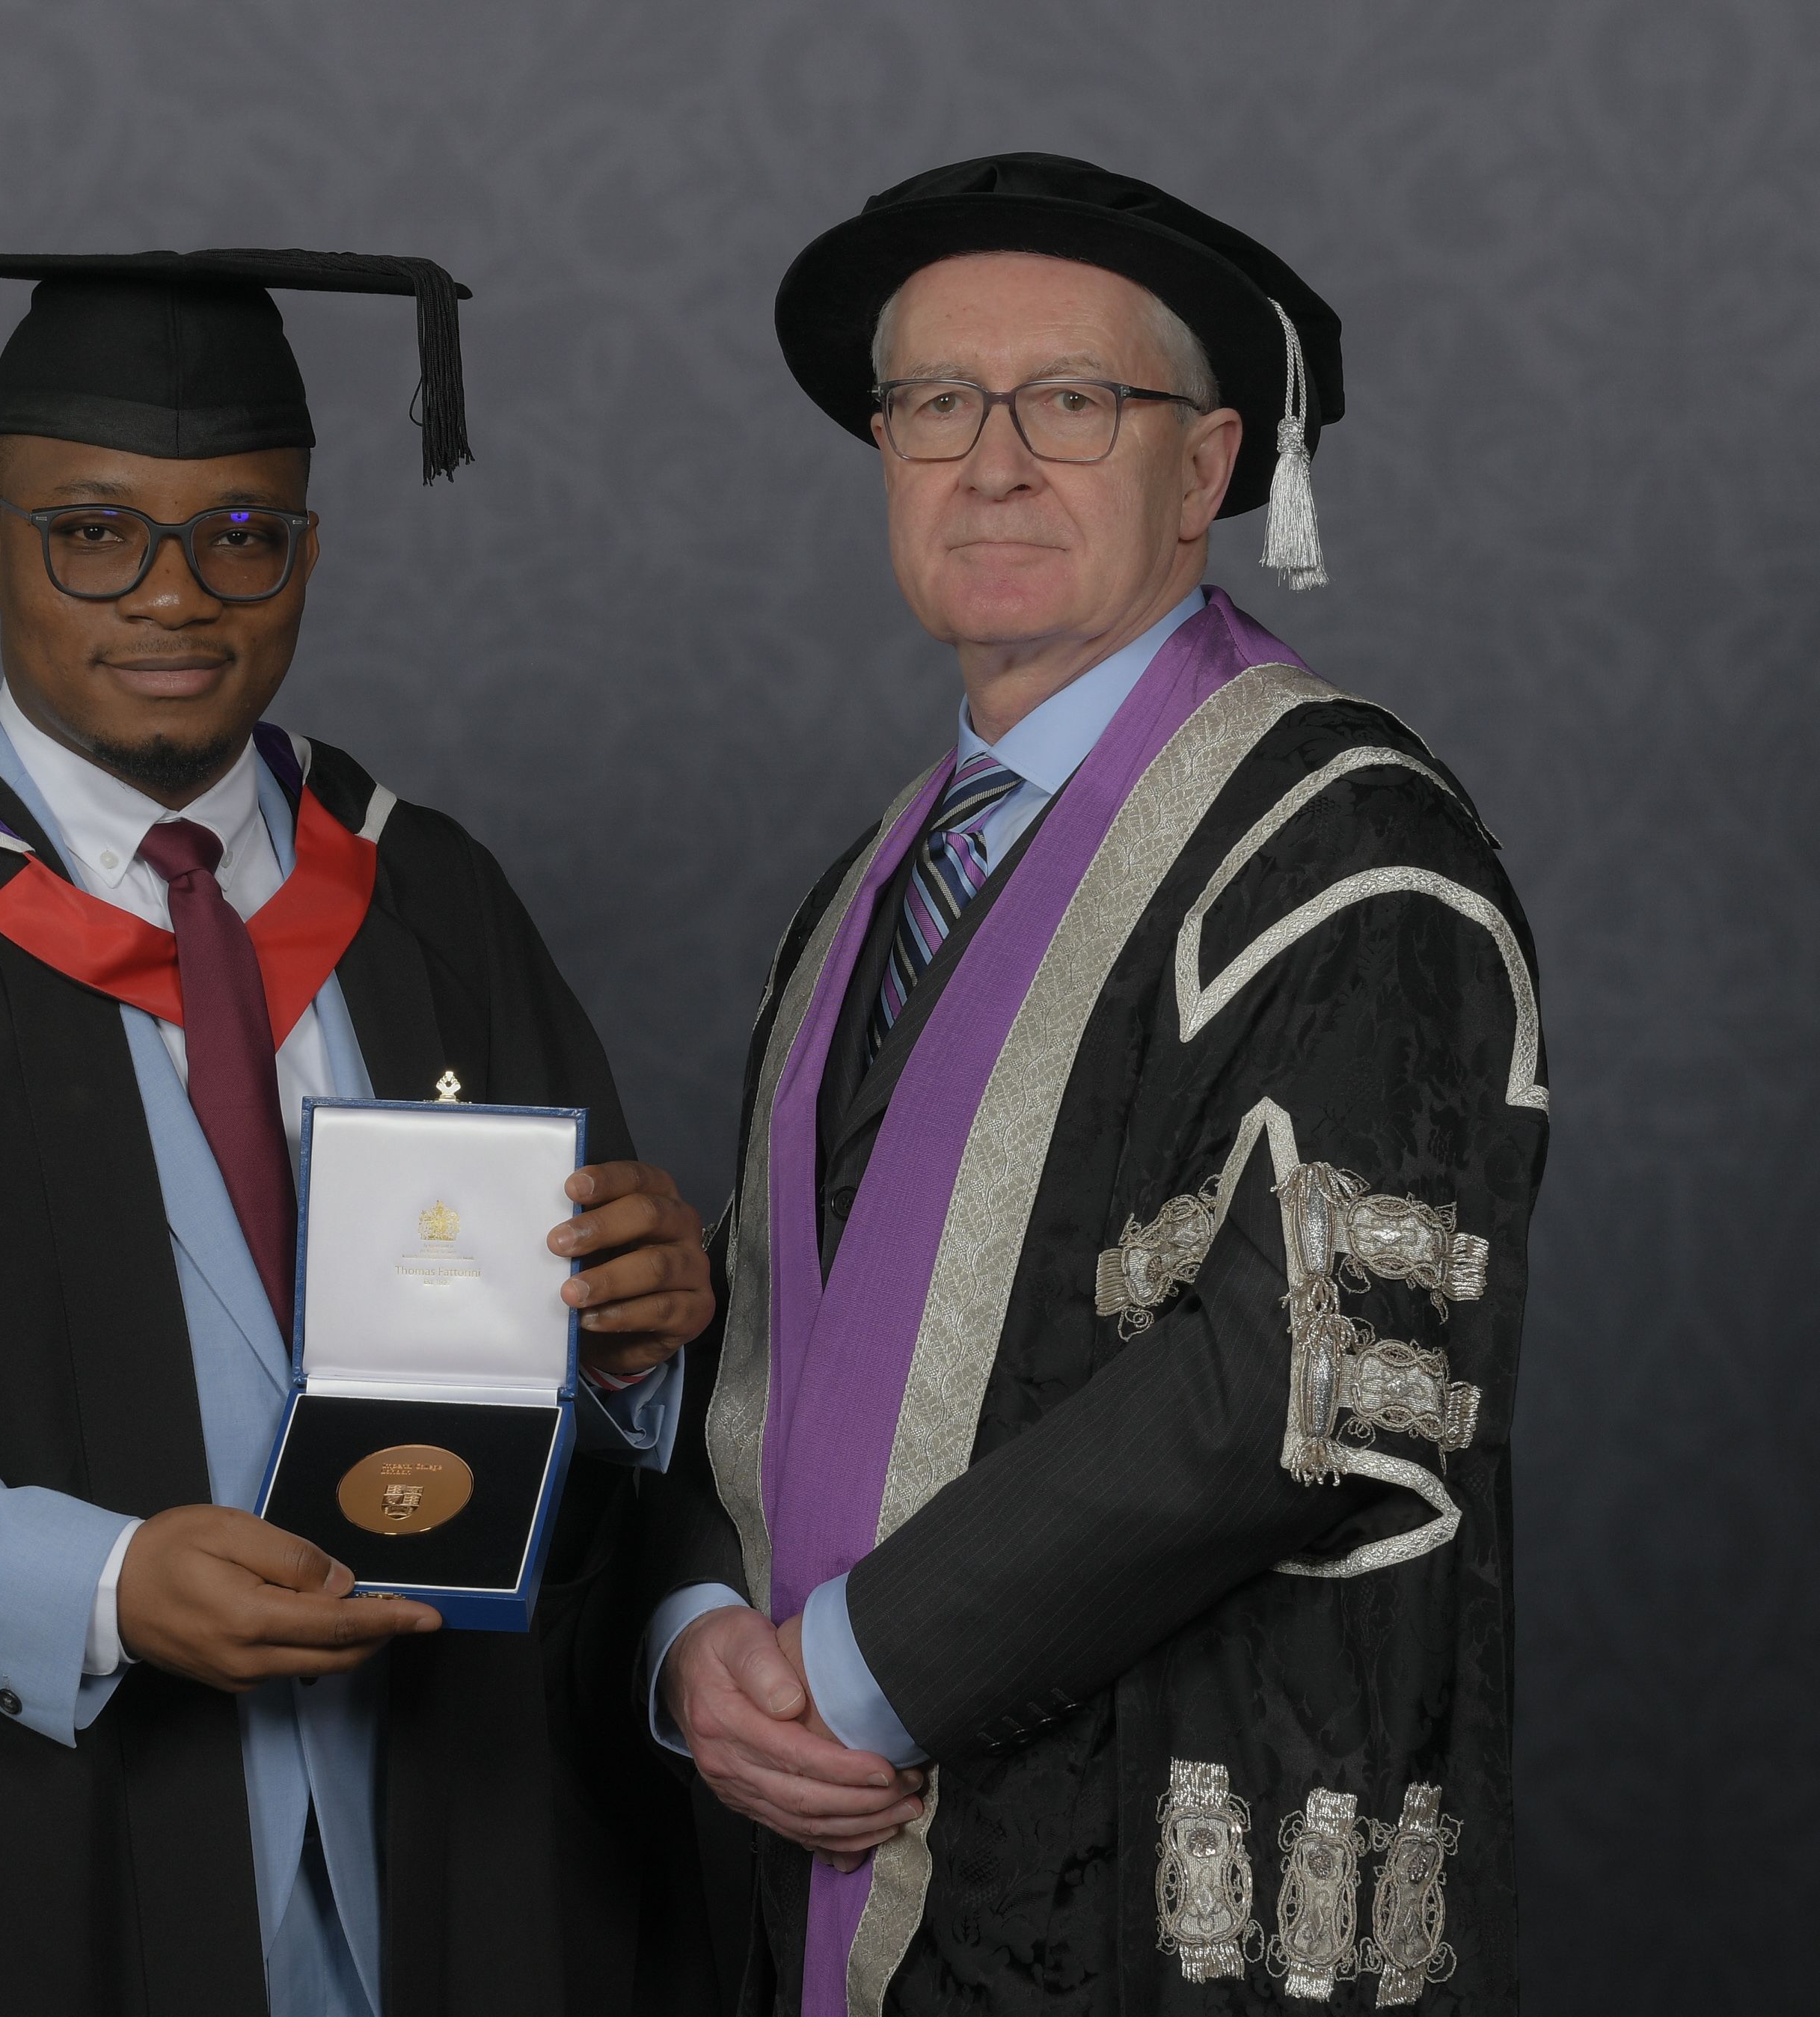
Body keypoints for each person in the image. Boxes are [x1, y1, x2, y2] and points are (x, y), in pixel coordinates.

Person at [0, 247, 718, 2016]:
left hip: (438, 1846)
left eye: (240, 533)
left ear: (305, 556)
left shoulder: (424, 892)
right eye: (94, 530)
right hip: (23, 1845)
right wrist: (96, 1582)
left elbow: (582, 1377)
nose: (172, 594)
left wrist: (637, 1342)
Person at [646, 156, 1543, 2015]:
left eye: (1069, 402)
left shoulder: (1341, 854)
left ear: (1204, 468)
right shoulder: (870, 885)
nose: (990, 462)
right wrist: (691, 1646)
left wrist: (844, 1669)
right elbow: (768, 1355)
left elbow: (1282, 1378)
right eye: (930, 406)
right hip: (808, 1842)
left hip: (1142, 1863)